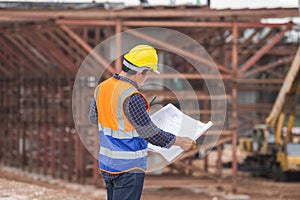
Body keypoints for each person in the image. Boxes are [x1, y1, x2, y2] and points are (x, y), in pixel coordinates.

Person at [89, 45, 195, 200]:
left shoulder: (102, 88)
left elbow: (94, 118)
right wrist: (180, 141)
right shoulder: (132, 97)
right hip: (128, 168)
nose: (147, 78)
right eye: (148, 73)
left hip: (107, 165)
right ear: (140, 72)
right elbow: (150, 133)